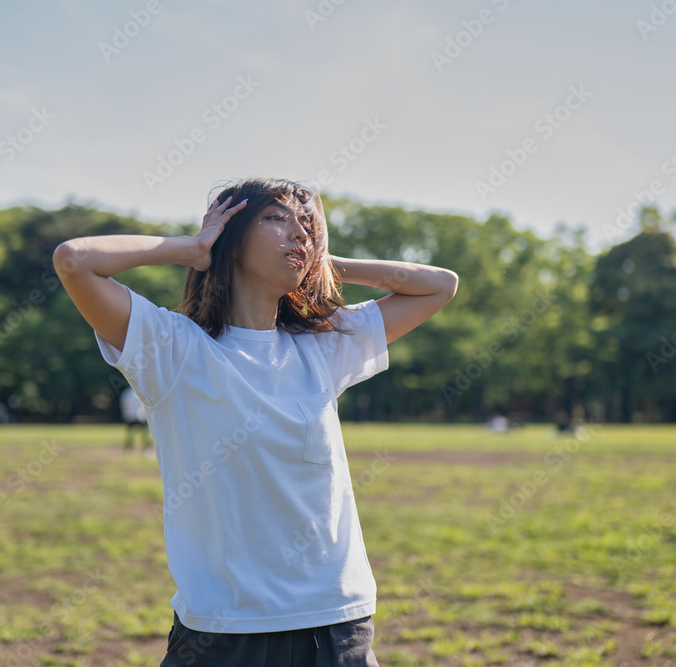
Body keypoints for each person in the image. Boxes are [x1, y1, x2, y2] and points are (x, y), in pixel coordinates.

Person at [52, 177, 458, 666]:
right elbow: (75, 260)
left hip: (334, 623)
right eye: (276, 218)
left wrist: (322, 265)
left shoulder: (323, 346)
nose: (299, 233)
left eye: (307, 225)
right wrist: (193, 247)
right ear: (232, 237)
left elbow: (439, 285)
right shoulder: (173, 349)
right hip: (223, 631)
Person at [120, 385, 153, 454]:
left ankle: (130, 448)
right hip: (137, 417)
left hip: (132, 417)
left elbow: (124, 406)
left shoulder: (127, 393)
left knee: (135, 434)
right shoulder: (138, 393)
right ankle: (146, 447)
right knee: (142, 434)